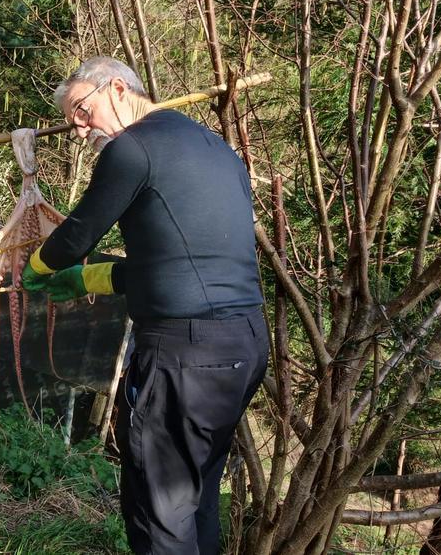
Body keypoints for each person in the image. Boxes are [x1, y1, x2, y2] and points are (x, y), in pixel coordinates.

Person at [23, 56, 268, 554]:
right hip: (243, 346)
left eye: (82, 111)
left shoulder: (131, 148)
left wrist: (40, 267)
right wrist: (90, 278)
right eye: (72, 119)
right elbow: (179, 263)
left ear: (117, 87)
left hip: (186, 357)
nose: (78, 128)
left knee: (158, 506)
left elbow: (77, 233)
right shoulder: (214, 148)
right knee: (194, 493)